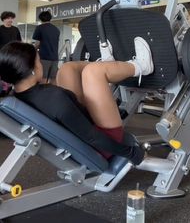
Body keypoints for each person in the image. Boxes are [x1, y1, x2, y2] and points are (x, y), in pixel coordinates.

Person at [0, 38, 154, 165]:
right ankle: (142, 67)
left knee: (68, 68)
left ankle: (108, 63)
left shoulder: (17, 95)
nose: (41, 64)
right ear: (32, 69)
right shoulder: (53, 98)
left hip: (79, 127)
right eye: (39, 61)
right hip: (102, 142)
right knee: (93, 72)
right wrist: (132, 153)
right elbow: (93, 137)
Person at [32, 11, 60, 84]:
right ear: (50, 18)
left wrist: (32, 51)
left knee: (43, 77)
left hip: (44, 57)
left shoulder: (40, 28)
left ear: (40, 19)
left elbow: (37, 43)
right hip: (55, 58)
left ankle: (42, 94)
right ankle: (53, 94)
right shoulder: (56, 29)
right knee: (53, 78)